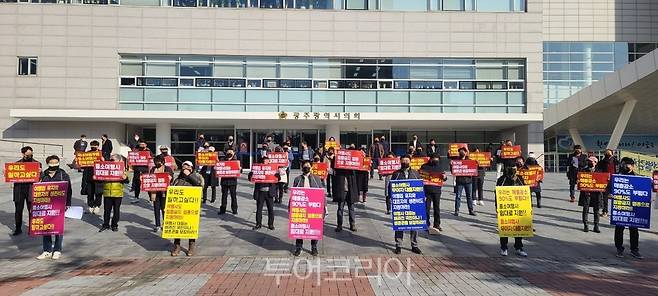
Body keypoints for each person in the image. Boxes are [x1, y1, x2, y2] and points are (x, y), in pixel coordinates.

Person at [36, 155, 72, 260]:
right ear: (48, 164)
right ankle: (47, 250)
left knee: (58, 228)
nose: (54, 165)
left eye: (56, 163)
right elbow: (36, 188)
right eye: (52, 163)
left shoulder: (63, 174)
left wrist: (67, 203)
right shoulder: (43, 175)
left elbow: (68, 190)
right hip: (45, 205)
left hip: (59, 205)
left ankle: (57, 250)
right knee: (46, 228)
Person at [170, 161, 204, 256]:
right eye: (184, 167)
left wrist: (189, 176)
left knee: (190, 227)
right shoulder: (177, 179)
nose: (185, 169)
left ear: (191, 168)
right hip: (179, 207)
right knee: (177, 228)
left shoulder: (197, 177)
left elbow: (199, 186)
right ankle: (177, 246)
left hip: (191, 207)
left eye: (188, 167)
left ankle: (191, 247)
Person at [391, 155, 423, 255]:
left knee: (414, 224)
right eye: (403, 160)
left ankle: (414, 245)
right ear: (400, 162)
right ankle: (398, 245)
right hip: (401, 203)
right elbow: (391, 187)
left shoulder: (415, 173)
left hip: (413, 203)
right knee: (400, 224)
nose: (405, 162)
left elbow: (420, 187)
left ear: (410, 162)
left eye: (407, 160)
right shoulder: (396, 174)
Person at [291, 160, 324, 256]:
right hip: (301, 206)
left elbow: (321, 193)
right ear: (302, 167)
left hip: (313, 207)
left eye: (308, 166)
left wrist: (324, 206)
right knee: (300, 227)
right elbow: (294, 193)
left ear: (311, 168)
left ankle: (314, 247)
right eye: (304, 166)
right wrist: (291, 206)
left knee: (314, 227)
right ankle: (298, 247)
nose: (306, 168)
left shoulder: (316, 178)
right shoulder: (297, 179)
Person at [495, 166, 528, 257]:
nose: (513, 170)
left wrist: (529, 207)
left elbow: (525, 193)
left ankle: (519, 247)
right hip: (506, 208)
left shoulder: (520, 179)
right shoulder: (502, 180)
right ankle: (504, 247)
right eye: (511, 168)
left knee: (518, 229)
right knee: (505, 228)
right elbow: (497, 193)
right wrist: (497, 207)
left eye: (515, 168)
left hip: (518, 208)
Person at [615, 157, 642, 259]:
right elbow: (609, 188)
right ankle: (619, 249)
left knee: (634, 228)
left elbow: (644, 190)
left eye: (628, 164)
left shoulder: (638, 178)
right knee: (619, 228)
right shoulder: (617, 177)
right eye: (623, 164)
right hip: (620, 205)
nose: (625, 166)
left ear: (633, 166)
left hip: (633, 207)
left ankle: (634, 250)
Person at [12, 146, 40, 236]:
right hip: (19, 190)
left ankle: (32, 228)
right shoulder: (17, 164)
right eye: (28, 154)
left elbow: (41, 177)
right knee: (18, 210)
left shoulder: (37, 163)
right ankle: (18, 228)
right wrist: (8, 173)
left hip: (31, 190)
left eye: (31, 154)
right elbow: (12, 177)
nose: (30, 156)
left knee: (32, 211)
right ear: (23, 154)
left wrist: (40, 172)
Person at [99, 154, 129, 232]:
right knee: (106, 210)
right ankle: (105, 224)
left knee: (116, 210)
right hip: (107, 192)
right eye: (110, 160)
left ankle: (114, 225)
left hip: (117, 193)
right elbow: (99, 177)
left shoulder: (122, 169)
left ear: (118, 161)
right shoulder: (106, 168)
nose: (111, 161)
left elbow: (127, 180)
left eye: (113, 160)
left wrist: (124, 178)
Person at [248, 156, 279, 231]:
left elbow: (277, 180)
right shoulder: (258, 169)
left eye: (267, 161)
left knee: (270, 209)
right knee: (259, 209)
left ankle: (270, 224)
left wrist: (278, 176)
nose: (266, 162)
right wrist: (251, 174)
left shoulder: (273, 169)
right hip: (260, 192)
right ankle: (258, 224)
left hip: (269, 192)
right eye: (264, 161)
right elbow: (251, 179)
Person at [420, 153, 446, 235]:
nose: (436, 160)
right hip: (426, 190)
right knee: (426, 208)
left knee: (436, 208)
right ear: (430, 159)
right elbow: (420, 176)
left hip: (437, 190)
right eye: (434, 159)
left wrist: (444, 177)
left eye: (437, 159)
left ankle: (437, 224)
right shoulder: (424, 166)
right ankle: (426, 224)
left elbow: (444, 178)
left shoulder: (440, 167)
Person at [149, 154, 174, 232]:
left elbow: (170, 177)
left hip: (164, 192)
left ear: (163, 161)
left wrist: (169, 178)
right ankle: (157, 225)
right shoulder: (153, 169)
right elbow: (150, 178)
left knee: (164, 209)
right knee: (156, 209)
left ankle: (165, 224)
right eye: (156, 161)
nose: (157, 163)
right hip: (155, 192)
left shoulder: (168, 169)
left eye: (158, 161)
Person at [333, 158, 359, 232]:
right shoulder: (339, 169)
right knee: (340, 208)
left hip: (350, 191)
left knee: (351, 208)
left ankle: (352, 224)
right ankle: (339, 225)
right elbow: (333, 168)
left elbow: (360, 168)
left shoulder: (352, 170)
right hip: (342, 191)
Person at [579, 156, 602, 233]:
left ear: (595, 163)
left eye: (591, 161)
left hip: (596, 193)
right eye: (589, 161)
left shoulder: (600, 171)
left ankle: (596, 226)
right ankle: (586, 225)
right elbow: (580, 181)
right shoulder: (584, 170)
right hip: (586, 193)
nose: (590, 163)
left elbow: (603, 181)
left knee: (596, 210)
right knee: (585, 209)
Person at [81, 140, 104, 215]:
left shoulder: (101, 153)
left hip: (98, 176)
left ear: (98, 146)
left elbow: (107, 164)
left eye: (95, 145)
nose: (93, 147)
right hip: (89, 176)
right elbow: (82, 163)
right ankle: (90, 205)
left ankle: (97, 205)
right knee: (90, 192)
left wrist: (103, 160)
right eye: (92, 145)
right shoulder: (87, 153)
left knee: (98, 192)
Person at [452, 147, 475, 216]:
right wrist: (451, 165)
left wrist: (476, 164)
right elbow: (453, 171)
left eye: (463, 151)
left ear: (465, 152)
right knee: (458, 196)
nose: (461, 153)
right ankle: (456, 210)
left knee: (469, 197)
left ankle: (471, 210)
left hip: (468, 181)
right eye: (460, 152)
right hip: (460, 181)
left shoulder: (470, 161)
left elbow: (474, 170)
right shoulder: (456, 161)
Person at [597, 149, 617, 217]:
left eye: (609, 153)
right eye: (606, 153)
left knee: (617, 198)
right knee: (604, 197)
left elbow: (620, 170)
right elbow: (598, 171)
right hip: (604, 181)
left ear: (612, 154)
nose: (608, 155)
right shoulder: (602, 162)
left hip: (614, 181)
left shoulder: (616, 162)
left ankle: (618, 212)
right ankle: (605, 211)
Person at [219, 149, 240, 215]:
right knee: (224, 196)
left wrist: (240, 169)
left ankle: (234, 209)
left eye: (231, 153)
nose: (229, 154)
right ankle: (223, 209)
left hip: (232, 181)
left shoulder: (235, 162)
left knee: (233, 196)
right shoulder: (223, 161)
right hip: (224, 181)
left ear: (233, 154)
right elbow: (218, 168)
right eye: (228, 153)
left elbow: (239, 171)